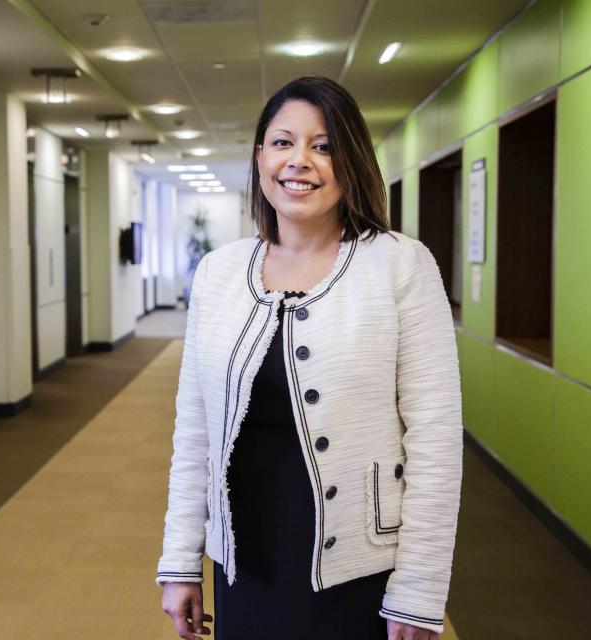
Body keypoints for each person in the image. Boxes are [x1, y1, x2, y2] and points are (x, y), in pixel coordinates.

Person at [157, 76, 463, 640]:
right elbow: (194, 431)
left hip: (360, 568)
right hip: (245, 560)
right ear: (259, 156)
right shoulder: (219, 273)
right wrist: (181, 561)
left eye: (324, 147)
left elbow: (435, 441)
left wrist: (419, 589)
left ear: (352, 163)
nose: (300, 161)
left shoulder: (400, 267)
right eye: (282, 142)